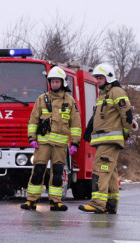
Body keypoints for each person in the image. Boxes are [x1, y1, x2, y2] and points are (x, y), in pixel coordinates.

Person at [21, 66, 82, 212]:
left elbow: (76, 124)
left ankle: (56, 202)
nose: (54, 84)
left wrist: (75, 142)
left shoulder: (70, 102)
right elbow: (33, 120)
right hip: (43, 144)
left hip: (60, 146)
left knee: (58, 173)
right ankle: (31, 201)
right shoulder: (42, 99)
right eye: (52, 82)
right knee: (37, 171)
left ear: (63, 83)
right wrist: (32, 138)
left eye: (57, 82)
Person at [79, 63, 134, 214]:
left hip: (110, 140)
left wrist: (125, 132)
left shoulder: (117, 92)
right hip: (103, 140)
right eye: (96, 78)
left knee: (100, 170)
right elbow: (97, 116)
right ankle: (111, 205)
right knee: (110, 173)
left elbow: (127, 114)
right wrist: (89, 130)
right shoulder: (103, 95)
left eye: (100, 78)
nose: (97, 81)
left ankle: (97, 204)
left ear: (109, 77)